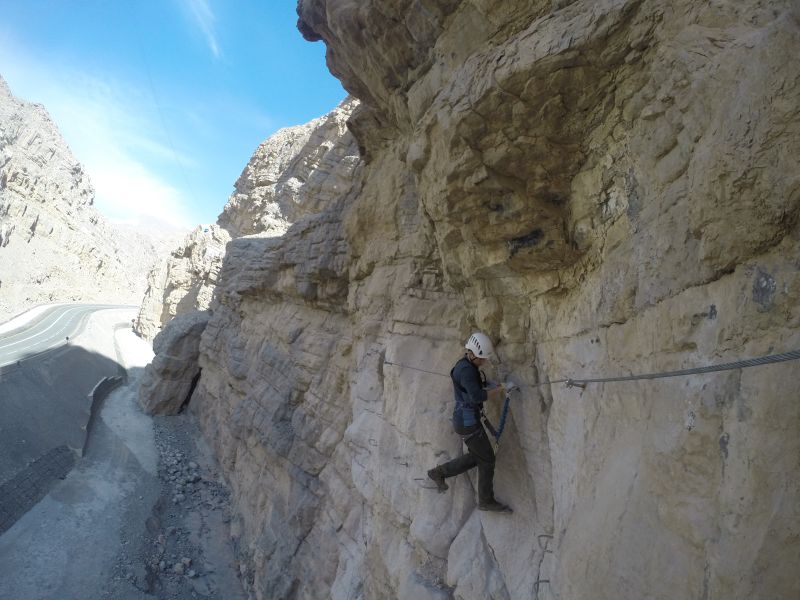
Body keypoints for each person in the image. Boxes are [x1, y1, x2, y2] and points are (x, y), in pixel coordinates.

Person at [427, 332, 512, 513]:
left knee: (478, 456)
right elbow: (477, 395)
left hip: (465, 420)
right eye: (482, 358)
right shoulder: (466, 370)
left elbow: (477, 384)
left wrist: (494, 384)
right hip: (468, 423)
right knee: (487, 459)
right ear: (473, 354)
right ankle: (486, 501)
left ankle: (439, 473)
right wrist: (501, 389)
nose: (484, 362)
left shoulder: (466, 365)